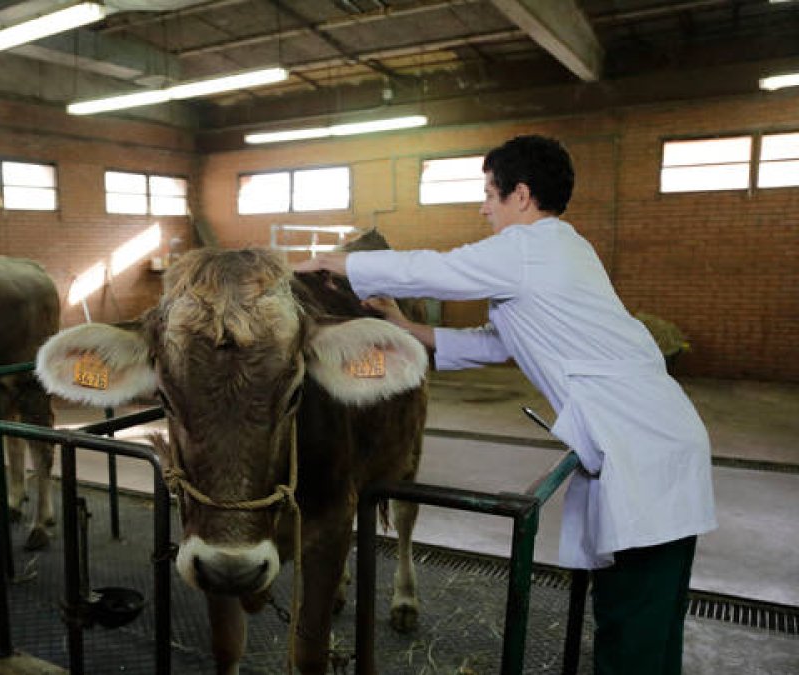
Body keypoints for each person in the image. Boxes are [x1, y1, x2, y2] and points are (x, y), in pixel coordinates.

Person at [294, 134, 716, 675]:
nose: (483, 208)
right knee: (647, 618)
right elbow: (496, 343)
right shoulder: (563, 251)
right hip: (657, 443)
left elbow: (435, 269)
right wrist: (405, 327)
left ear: (520, 195)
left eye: (489, 194)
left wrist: (334, 263)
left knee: (632, 628)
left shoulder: (528, 248)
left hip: (644, 451)